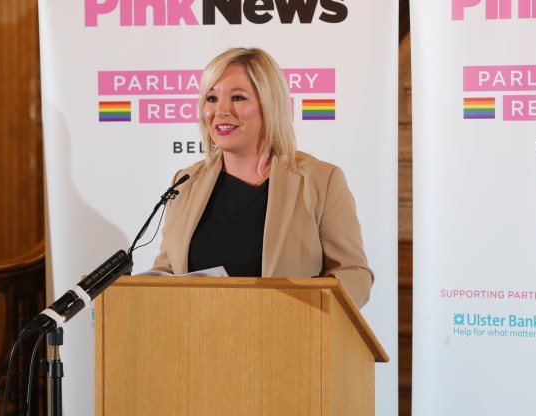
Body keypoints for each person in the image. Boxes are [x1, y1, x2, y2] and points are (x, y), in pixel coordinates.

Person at [150, 47, 373, 308]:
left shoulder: (321, 181)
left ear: (270, 105)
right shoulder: (185, 182)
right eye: (211, 98)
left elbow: (354, 273)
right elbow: (167, 270)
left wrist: (313, 306)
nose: (220, 110)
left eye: (237, 97)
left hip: (289, 331)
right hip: (195, 332)